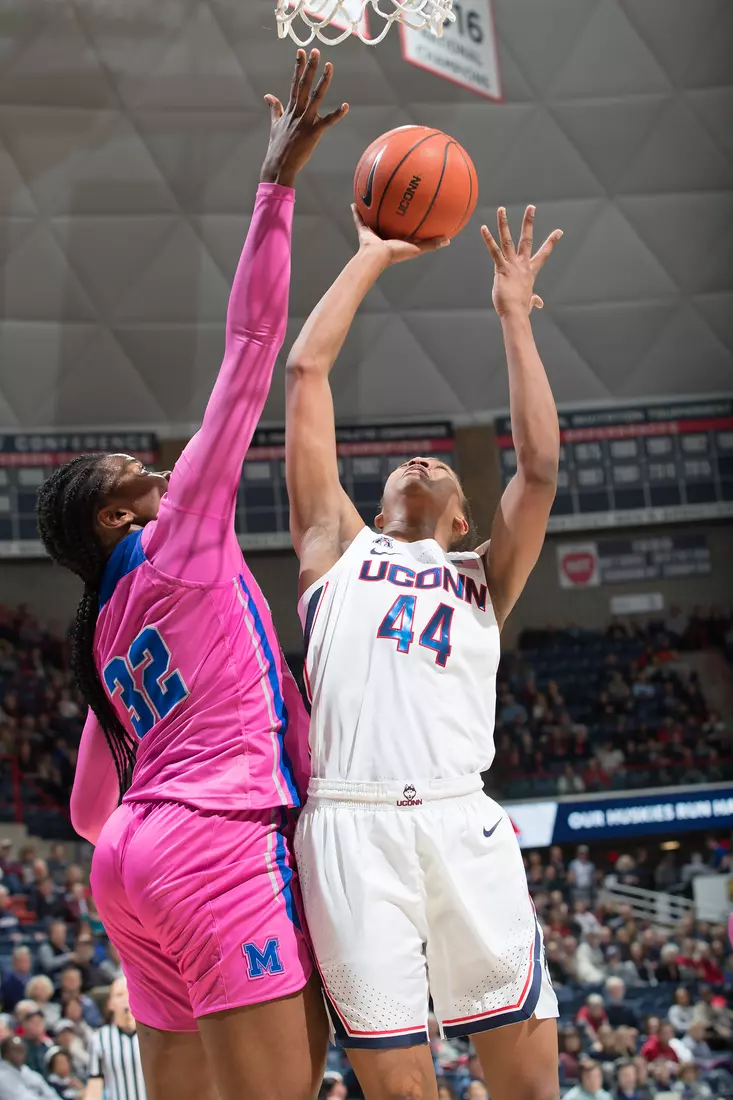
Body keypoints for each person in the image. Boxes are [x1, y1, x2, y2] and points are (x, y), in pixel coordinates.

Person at [35, 48, 346, 1100]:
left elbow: (90, 811)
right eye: (134, 469)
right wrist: (276, 185)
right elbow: (252, 346)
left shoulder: (103, 628)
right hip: (213, 845)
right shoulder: (176, 541)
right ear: (118, 516)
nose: (159, 465)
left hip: (129, 864)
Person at [286, 200, 562, 1100]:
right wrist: (370, 254)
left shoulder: (484, 574)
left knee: (529, 1085)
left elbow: (538, 469)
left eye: (441, 466)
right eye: (408, 462)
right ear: (374, 504)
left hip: (458, 819)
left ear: (463, 521)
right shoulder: (336, 548)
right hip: (349, 826)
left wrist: (513, 317)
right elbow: (305, 371)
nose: (422, 459)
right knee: (402, 1090)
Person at [82, 979, 146, 1100]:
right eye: (119, 995)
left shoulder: (152, 1035)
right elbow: (94, 1086)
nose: (125, 999)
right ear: (110, 1003)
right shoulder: (100, 1038)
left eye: (130, 992)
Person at [0, 1035, 58, 1100]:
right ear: (5, 1053)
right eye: (16, 1050)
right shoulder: (2, 1076)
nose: (20, 1053)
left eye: (22, 1050)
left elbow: (51, 1095)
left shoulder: (29, 1072)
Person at [1, 945, 33, 1012]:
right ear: (14, 962)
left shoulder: (33, 979)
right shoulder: (7, 982)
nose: (25, 964)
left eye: (27, 960)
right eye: (22, 961)